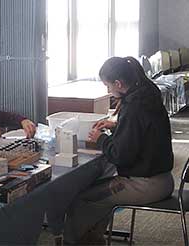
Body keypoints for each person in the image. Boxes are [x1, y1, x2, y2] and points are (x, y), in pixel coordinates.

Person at [62, 56, 174, 244]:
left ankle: (73, 242)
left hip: (145, 185)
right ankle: (92, 239)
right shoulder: (147, 94)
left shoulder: (133, 108)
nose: (108, 90)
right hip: (163, 178)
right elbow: (144, 131)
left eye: (108, 86)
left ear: (118, 83)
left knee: (83, 199)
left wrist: (101, 139)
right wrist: (118, 127)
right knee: (98, 190)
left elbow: (120, 156)